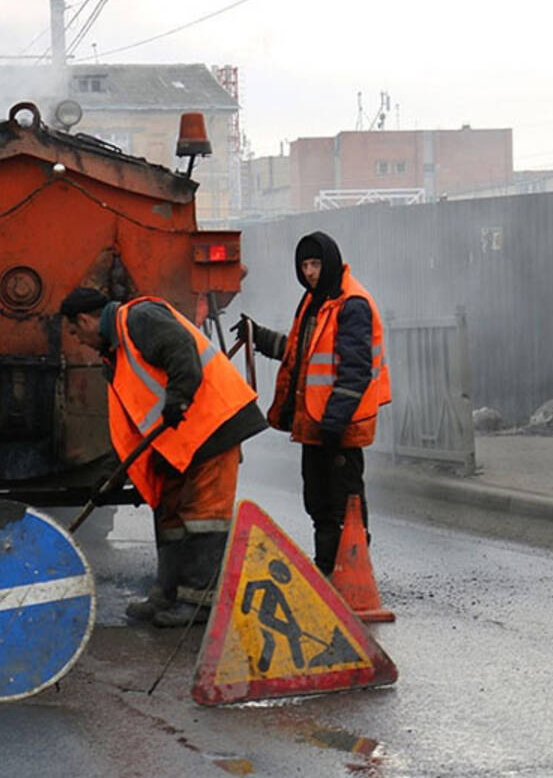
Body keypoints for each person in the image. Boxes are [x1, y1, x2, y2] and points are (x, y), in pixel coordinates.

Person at [59, 287, 266, 628]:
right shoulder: (116, 356)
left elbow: (182, 352)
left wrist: (179, 400)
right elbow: (132, 427)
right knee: (168, 513)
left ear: (85, 320)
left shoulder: (139, 319)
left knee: (203, 516)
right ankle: (166, 594)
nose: (78, 341)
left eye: (75, 332)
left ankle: (198, 602)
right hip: (179, 438)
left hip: (212, 426)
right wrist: (111, 477)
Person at [234, 231, 390, 577]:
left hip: (339, 428)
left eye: (316, 264)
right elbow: (299, 356)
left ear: (330, 262)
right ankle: (327, 571)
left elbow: (355, 371)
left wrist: (334, 422)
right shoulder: (314, 303)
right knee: (319, 502)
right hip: (317, 425)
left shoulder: (352, 305)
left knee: (343, 503)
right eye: (304, 265)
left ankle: (350, 572)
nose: (310, 272)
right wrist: (258, 336)